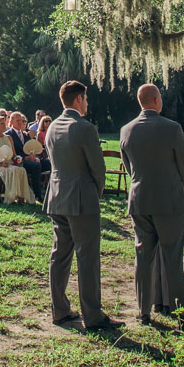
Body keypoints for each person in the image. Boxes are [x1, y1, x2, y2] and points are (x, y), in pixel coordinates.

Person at [45, 80, 120, 331]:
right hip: (81, 197)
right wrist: (95, 193)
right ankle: (93, 315)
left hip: (56, 195)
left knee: (60, 255)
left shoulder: (52, 127)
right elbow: (98, 169)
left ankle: (60, 310)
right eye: (86, 98)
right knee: (87, 257)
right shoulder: (85, 128)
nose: (87, 103)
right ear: (78, 99)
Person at [119, 83, 184, 324]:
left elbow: (128, 167)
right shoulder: (172, 128)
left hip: (140, 200)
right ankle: (183, 313)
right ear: (157, 100)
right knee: (173, 258)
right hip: (168, 200)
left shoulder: (126, 129)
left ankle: (143, 312)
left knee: (143, 257)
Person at [0, 114, 36, 205]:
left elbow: (14, 154)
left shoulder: (9, 138)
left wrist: (18, 159)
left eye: (4, 124)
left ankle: (21, 197)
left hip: (10, 164)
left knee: (21, 170)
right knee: (13, 170)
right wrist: (0, 163)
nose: (4, 126)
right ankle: (11, 196)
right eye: (2, 124)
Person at [7, 111, 48, 200]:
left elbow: (31, 149)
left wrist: (35, 157)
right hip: (19, 161)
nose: (20, 122)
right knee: (36, 166)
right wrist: (27, 158)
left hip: (30, 159)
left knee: (49, 162)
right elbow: (11, 154)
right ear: (11, 122)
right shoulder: (8, 135)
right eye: (17, 120)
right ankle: (37, 195)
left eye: (21, 120)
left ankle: (51, 192)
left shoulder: (25, 134)